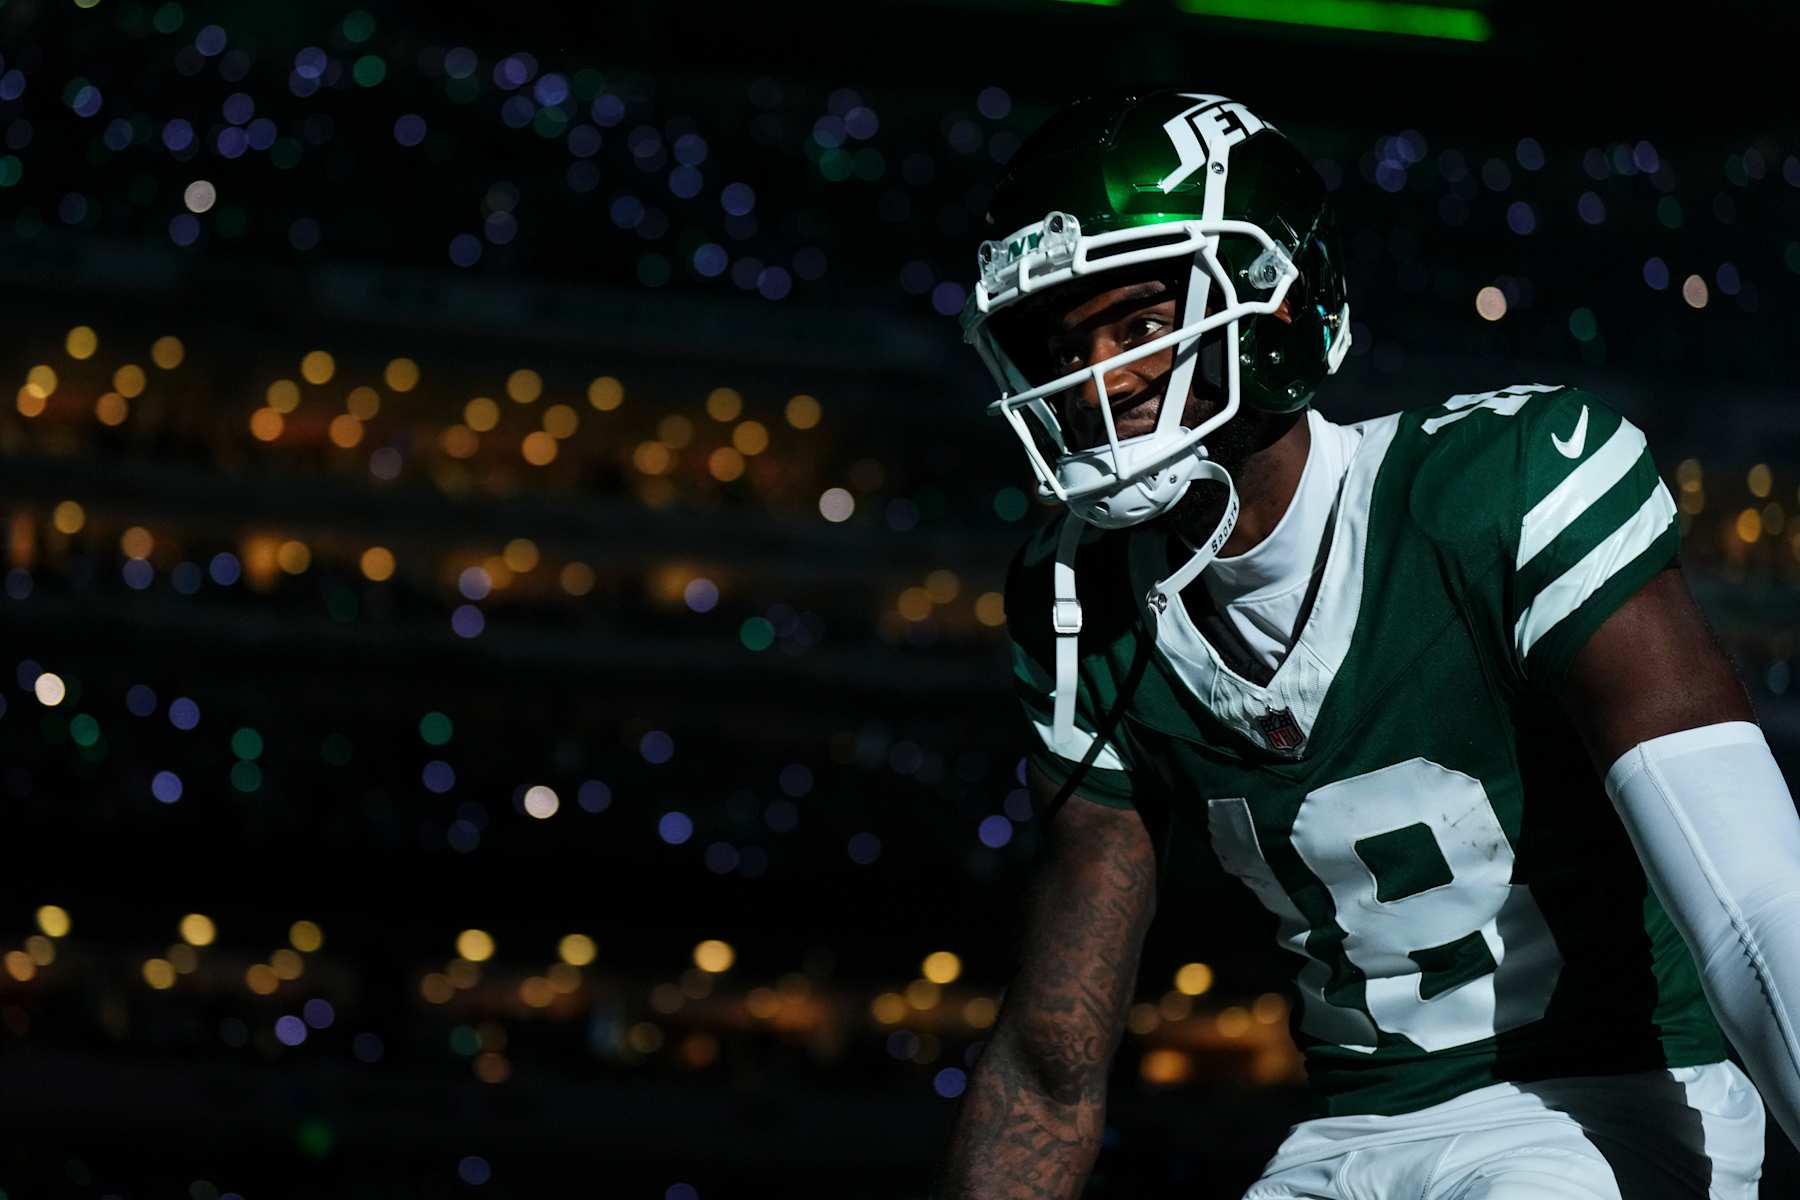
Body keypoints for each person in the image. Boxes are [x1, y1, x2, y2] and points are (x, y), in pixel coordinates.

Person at [935, 89, 1800, 1199]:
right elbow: (1054, 1058)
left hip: (1623, 1101)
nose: (1103, 378)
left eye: (1143, 325)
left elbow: (1756, 904)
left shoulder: (1502, 487)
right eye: (1069, 341)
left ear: (1278, 303)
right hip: (1350, 1137)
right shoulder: (1077, 594)